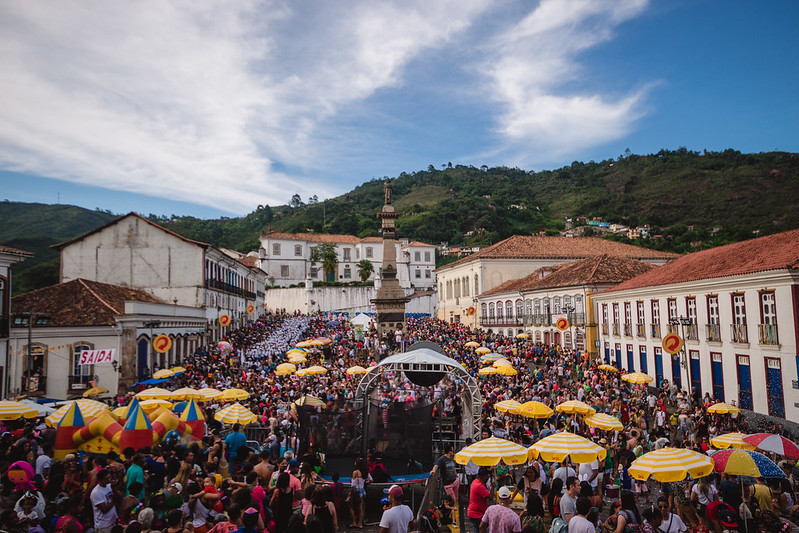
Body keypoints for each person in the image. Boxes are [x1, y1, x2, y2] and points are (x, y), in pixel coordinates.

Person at [468, 467, 492, 533]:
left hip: (475, 512)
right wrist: (493, 487)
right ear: (484, 476)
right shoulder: (479, 486)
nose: (488, 477)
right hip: (477, 514)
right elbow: (491, 497)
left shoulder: (476, 481)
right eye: (487, 476)